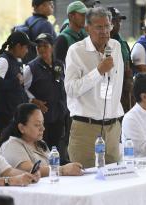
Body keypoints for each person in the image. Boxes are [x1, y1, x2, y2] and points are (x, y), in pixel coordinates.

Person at [64, 7, 124, 168]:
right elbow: (71, 89)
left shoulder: (116, 46)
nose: (104, 31)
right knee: (85, 182)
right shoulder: (76, 51)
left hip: (113, 128)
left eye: (107, 26)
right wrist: (98, 71)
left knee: (114, 183)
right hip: (86, 128)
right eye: (99, 27)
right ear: (87, 28)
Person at [0, 103, 83, 177]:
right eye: (37, 125)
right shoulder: (11, 145)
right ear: (21, 127)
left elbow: (51, 168)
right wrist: (62, 170)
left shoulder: (40, 143)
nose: (43, 128)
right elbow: (30, 170)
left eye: (42, 123)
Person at [23, 33, 70, 164]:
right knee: (43, 149)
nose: (41, 48)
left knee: (59, 148)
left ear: (52, 47)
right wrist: (33, 100)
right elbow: (22, 88)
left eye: (45, 45)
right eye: (38, 46)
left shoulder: (60, 65)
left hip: (59, 114)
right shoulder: (30, 68)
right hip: (41, 118)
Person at [0, 31, 33, 140]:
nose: (27, 51)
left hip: (14, 113)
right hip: (5, 114)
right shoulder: (3, 60)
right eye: (26, 47)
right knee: (6, 146)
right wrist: (15, 81)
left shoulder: (16, 61)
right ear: (18, 46)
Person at [108, 6, 134, 113]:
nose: (118, 24)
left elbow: (129, 64)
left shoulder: (123, 43)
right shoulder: (102, 41)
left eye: (119, 21)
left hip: (125, 88)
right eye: (114, 20)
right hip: (109, 87)